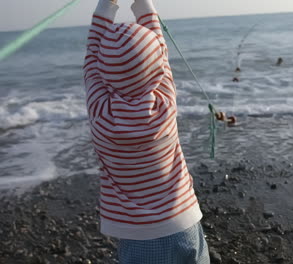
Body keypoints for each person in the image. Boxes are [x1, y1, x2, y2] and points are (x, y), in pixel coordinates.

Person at [82, 0, 210, 263]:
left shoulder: (100, 111)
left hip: (139, 238)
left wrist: (107, 4)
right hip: (185, 222)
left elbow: (91, 59)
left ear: (103, 72)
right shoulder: (165, 100)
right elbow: (160, 48)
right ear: (158, 68)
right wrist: (142, 3)